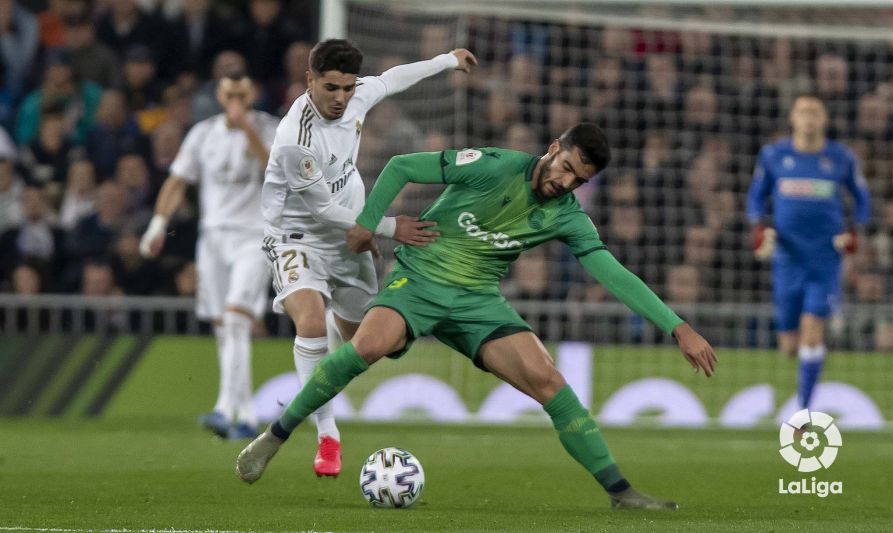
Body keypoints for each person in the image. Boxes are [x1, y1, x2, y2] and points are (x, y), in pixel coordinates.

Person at [238, 123, 718, 510]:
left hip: (478, 303)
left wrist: (678, 327)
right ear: (553, 149)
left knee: (548, 380)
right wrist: (369, 225)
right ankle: (276, 436)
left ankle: (621, 492)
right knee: (366, 346)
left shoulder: (568, 215)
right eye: (566, 168)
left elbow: (613, 274)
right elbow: (402, 165)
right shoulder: (493, 165)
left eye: (579, 181)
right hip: (420, 281)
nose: (565, 183)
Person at [258, 38, 477, 478]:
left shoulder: (357, 95)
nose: (341, 98)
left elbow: (393, 80)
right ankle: (327, 434)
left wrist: (445, 61)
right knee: (311, 324)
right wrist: (389, 226)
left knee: (370, 345)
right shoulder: (293, 139)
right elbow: (321, 210)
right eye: (331, 88)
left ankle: (381, 338)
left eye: (348, 88)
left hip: (350, 240)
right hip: (296, 237)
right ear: (310, 81)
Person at [139, 73, 280, 440]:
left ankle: (223, 409)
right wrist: (158, 225)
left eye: (241, 92)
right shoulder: (203, 133)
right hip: (213, 239)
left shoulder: (269, 127)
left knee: (236, 321)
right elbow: (177, 181)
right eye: (229, 93)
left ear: (253, 93)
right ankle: (246, 415)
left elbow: (276, 173)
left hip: (253, 236)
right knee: (223, 329)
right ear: (218, 94)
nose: (235, 99)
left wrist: (246, 128)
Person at [747, 93, 870, 411]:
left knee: (812, 332)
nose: (809, 117)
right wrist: (759, 229)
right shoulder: (774, 155)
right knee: (789, 344)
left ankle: (804, 411)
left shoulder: (841, 158)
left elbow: (862, 198)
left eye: (815, 111)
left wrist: (854, 231)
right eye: (803, 111)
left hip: (825, 258)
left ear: (824, 119)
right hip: (787, 259)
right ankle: (806, 366)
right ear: (792, 118)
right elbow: (756, 198)